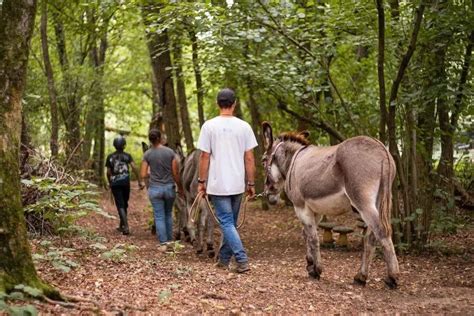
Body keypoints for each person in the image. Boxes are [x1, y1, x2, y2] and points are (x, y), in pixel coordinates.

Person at [197, 88, 257, 273]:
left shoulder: (209, 126)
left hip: (218, 183)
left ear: (217, 104)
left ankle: (242, 259)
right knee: (229, 223)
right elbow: (249, 158)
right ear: (235, 104)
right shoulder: (244, 127)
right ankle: (223, 260)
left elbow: (204, 157)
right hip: (237, 183)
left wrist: (201, 181)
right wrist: (251, 183)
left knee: (227, 223)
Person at [141, 129, 184, 251]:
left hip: (155, 189)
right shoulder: (170, 152)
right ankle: (170, 242)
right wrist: (180, 187)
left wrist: (153, 174)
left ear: (150, 140)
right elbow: (175, 172)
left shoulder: (147, 154)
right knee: (168, 214)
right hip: (169, 188)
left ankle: (163, 244)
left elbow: (143, 173)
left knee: (159, 216)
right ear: (160, 138)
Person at [106, 135, 144, 235]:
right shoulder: (127, 156)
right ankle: (122, 225)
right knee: (124, 203)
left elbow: (108, 172)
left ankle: (125, 226)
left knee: (120, 205)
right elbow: (134, 167)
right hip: (125, 182)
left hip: (115, 183)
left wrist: (110, 183)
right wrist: (140, 180)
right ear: (124, 145)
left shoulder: (110, 157)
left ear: (114, 145)